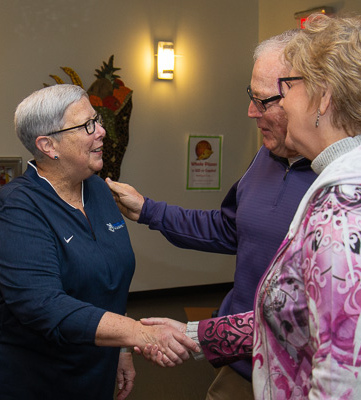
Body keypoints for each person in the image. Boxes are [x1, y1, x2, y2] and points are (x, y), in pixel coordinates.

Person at [140, 12, 361, 399]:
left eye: (285, 90)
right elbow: (309, 316)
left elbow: (347, 389)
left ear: (325, 97)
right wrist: (195, 334)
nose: (275, 105)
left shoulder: (352, 222)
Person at [106, 30, 317, 400]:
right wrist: (149, 210)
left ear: (311, 98)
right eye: (250, 96)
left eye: (264, 101)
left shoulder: (344, 185)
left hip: (305, 376)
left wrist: (196, 335)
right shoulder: (265, 157)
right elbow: (229, 229)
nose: (252, 112)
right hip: (241, 364)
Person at [0, 84, 199, 400]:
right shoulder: (16, 208)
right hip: (23, 380)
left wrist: (122, 348)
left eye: (97, 120)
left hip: (90, 370)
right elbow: (44, 306)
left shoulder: (100, 191)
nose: (101, 131)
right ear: (48, 145)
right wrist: (142, 334)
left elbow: (107, 281)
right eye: (87, 125)